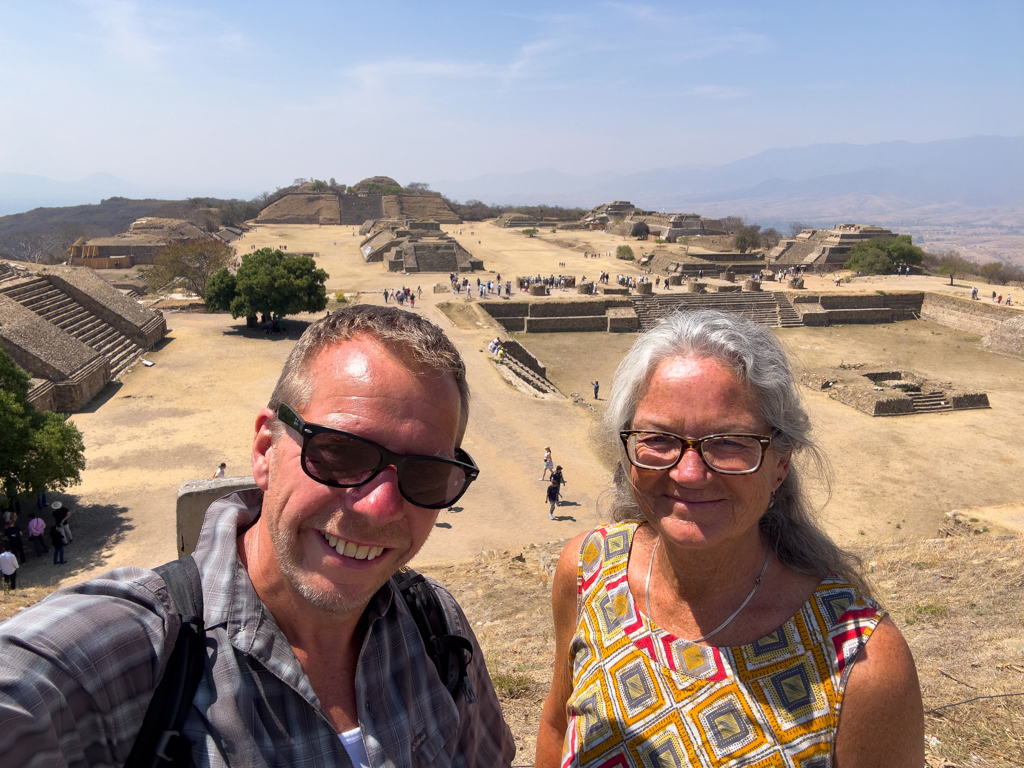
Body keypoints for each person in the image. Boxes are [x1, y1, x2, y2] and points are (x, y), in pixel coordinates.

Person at [0, 306, 515, 767]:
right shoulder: (130, 657)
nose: (379, 507)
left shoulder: (436, 626)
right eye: (340, 452)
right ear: (266, 449)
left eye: (425, 473)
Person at [536, 309, 923, 767]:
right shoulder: (587, 568)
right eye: (658, 439)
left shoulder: (863, 664)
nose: (690, 473)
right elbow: (559, 727)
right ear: (626, 451)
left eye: (730, 442)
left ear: (781, 463)